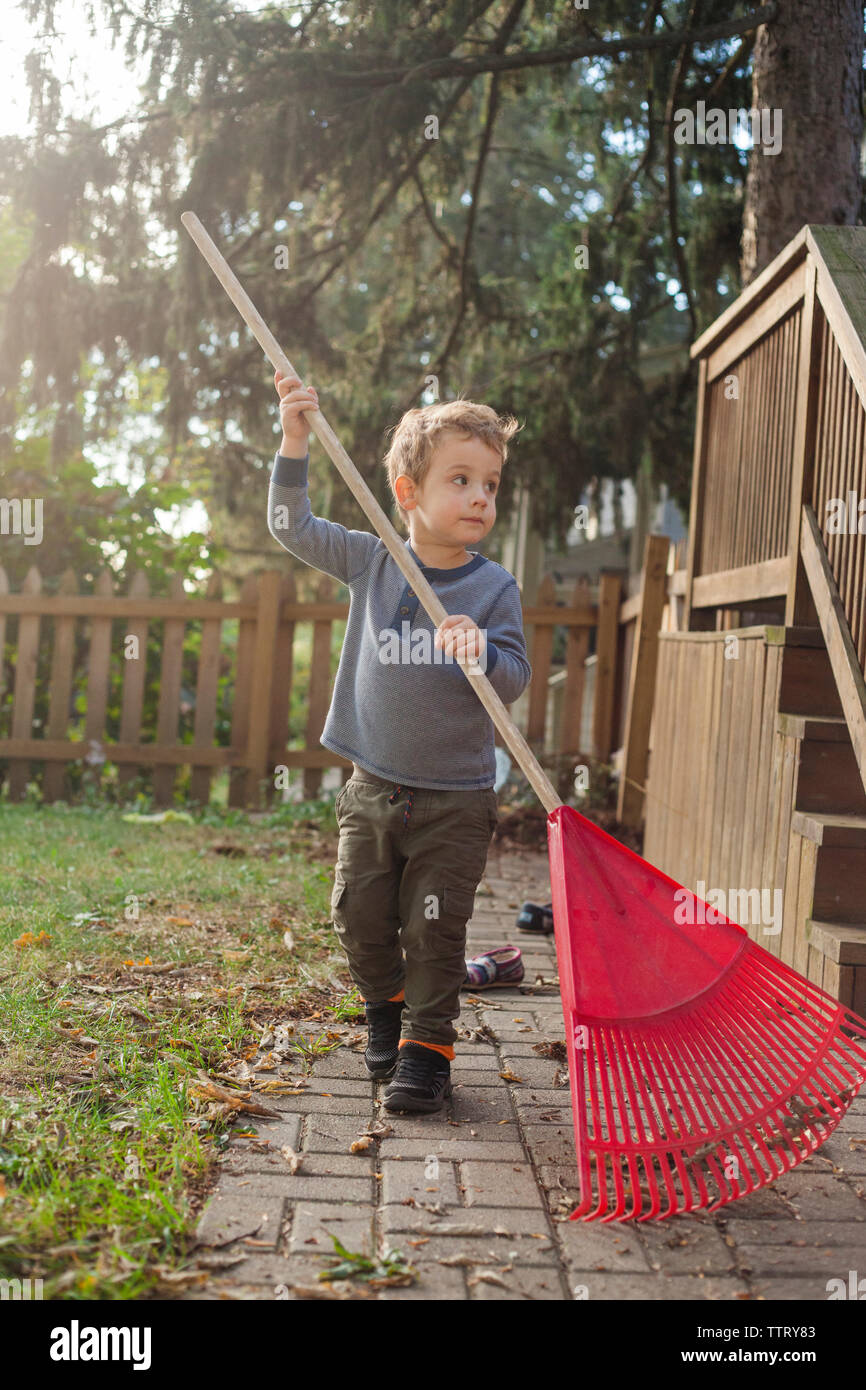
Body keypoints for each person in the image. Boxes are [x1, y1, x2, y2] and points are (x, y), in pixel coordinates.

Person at [267, 371, 531, 1112]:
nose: (481, 496)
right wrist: (294, 439)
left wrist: (480, 648)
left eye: (490, 483)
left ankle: (427, 1052)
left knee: (435, 930)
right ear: (408, 490)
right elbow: (291, 528)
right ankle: (385, 1006)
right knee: (360, 916)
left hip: (456, 800)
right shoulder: (372, 560)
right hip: (373, 787)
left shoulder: (493, 590)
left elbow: (513, 679)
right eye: (460, 479)